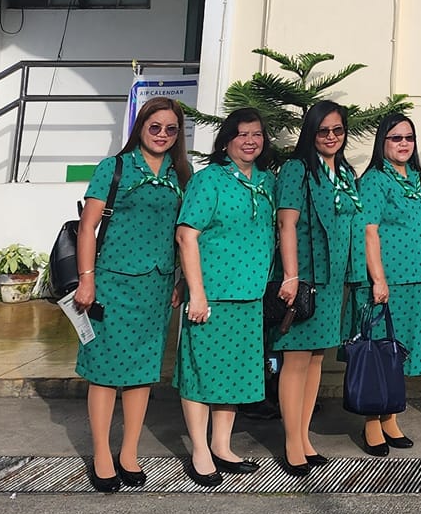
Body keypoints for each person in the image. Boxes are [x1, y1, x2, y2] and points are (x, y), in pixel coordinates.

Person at [73, 96, 190, 490]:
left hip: (156, 287)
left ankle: (129, 451)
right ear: (140, 127)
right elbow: (87, 227)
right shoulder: (115, 168)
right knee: (105, 372)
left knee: (142, 373)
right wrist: (86, 279)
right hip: (112, 282)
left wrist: (179, 279)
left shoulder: (180, 174)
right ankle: (102, 453)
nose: (161, 134)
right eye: (154, 126)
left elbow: (183, 235)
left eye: (170, 129)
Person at [174, 108, 277, 487]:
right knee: (202, 372)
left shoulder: (267, 182)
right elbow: (187, 235)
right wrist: (196, 293)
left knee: (234, 373)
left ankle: (222, 445)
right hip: (212, 295)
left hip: (250, 296)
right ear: (227, 140)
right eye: (242, 134)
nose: (250, 141)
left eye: (257, 134)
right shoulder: (209, 181)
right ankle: (200, 450)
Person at [272, 98, 365, 475]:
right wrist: (291, 276)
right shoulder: (297, 170)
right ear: (311, 132)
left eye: (337, 130)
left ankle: (304, 436)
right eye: (323, 130)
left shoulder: (343, 172)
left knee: (314, 361)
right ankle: (291, 442)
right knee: (294, 360)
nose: (331, 136)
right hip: (306, 278)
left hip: (334, 281)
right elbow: (287, 224)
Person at [358, 111, 421, 454]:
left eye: (409, 138)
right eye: (396, 138)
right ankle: (372, 422)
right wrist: (378, 279)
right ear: (382, 142)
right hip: (388, 279)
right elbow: (369, 231)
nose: (404, 144)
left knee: (398, 352)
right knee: (379, 349)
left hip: (417, 278)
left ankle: (390, 417)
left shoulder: (418, 177)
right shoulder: (374, 180)